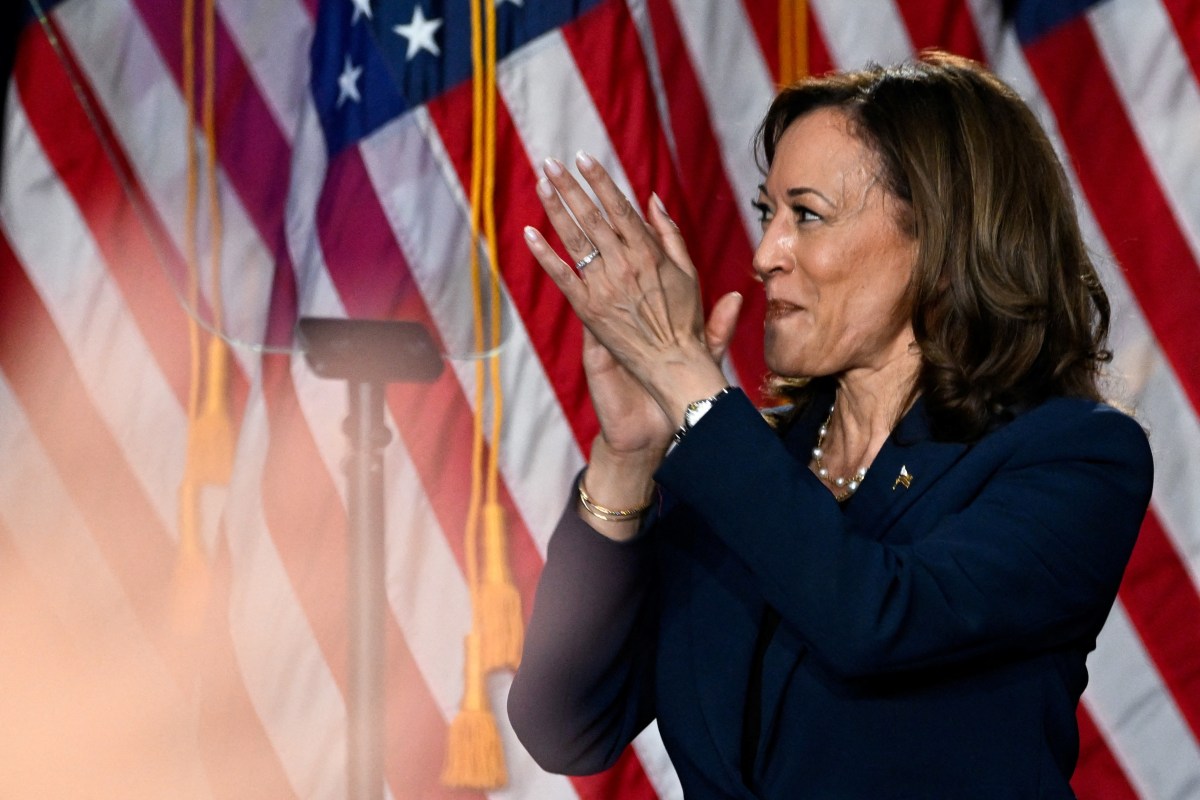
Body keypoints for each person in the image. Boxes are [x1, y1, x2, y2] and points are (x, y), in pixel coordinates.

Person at [507, 50, 1154, 798]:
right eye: (767, 214)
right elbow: (564, 724)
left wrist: (690, 386)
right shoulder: (748, 463)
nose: (761, 256)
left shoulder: (1071, 457)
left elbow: (874, 618)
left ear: (941, 244)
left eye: (805, 215)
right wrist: (628, 457)